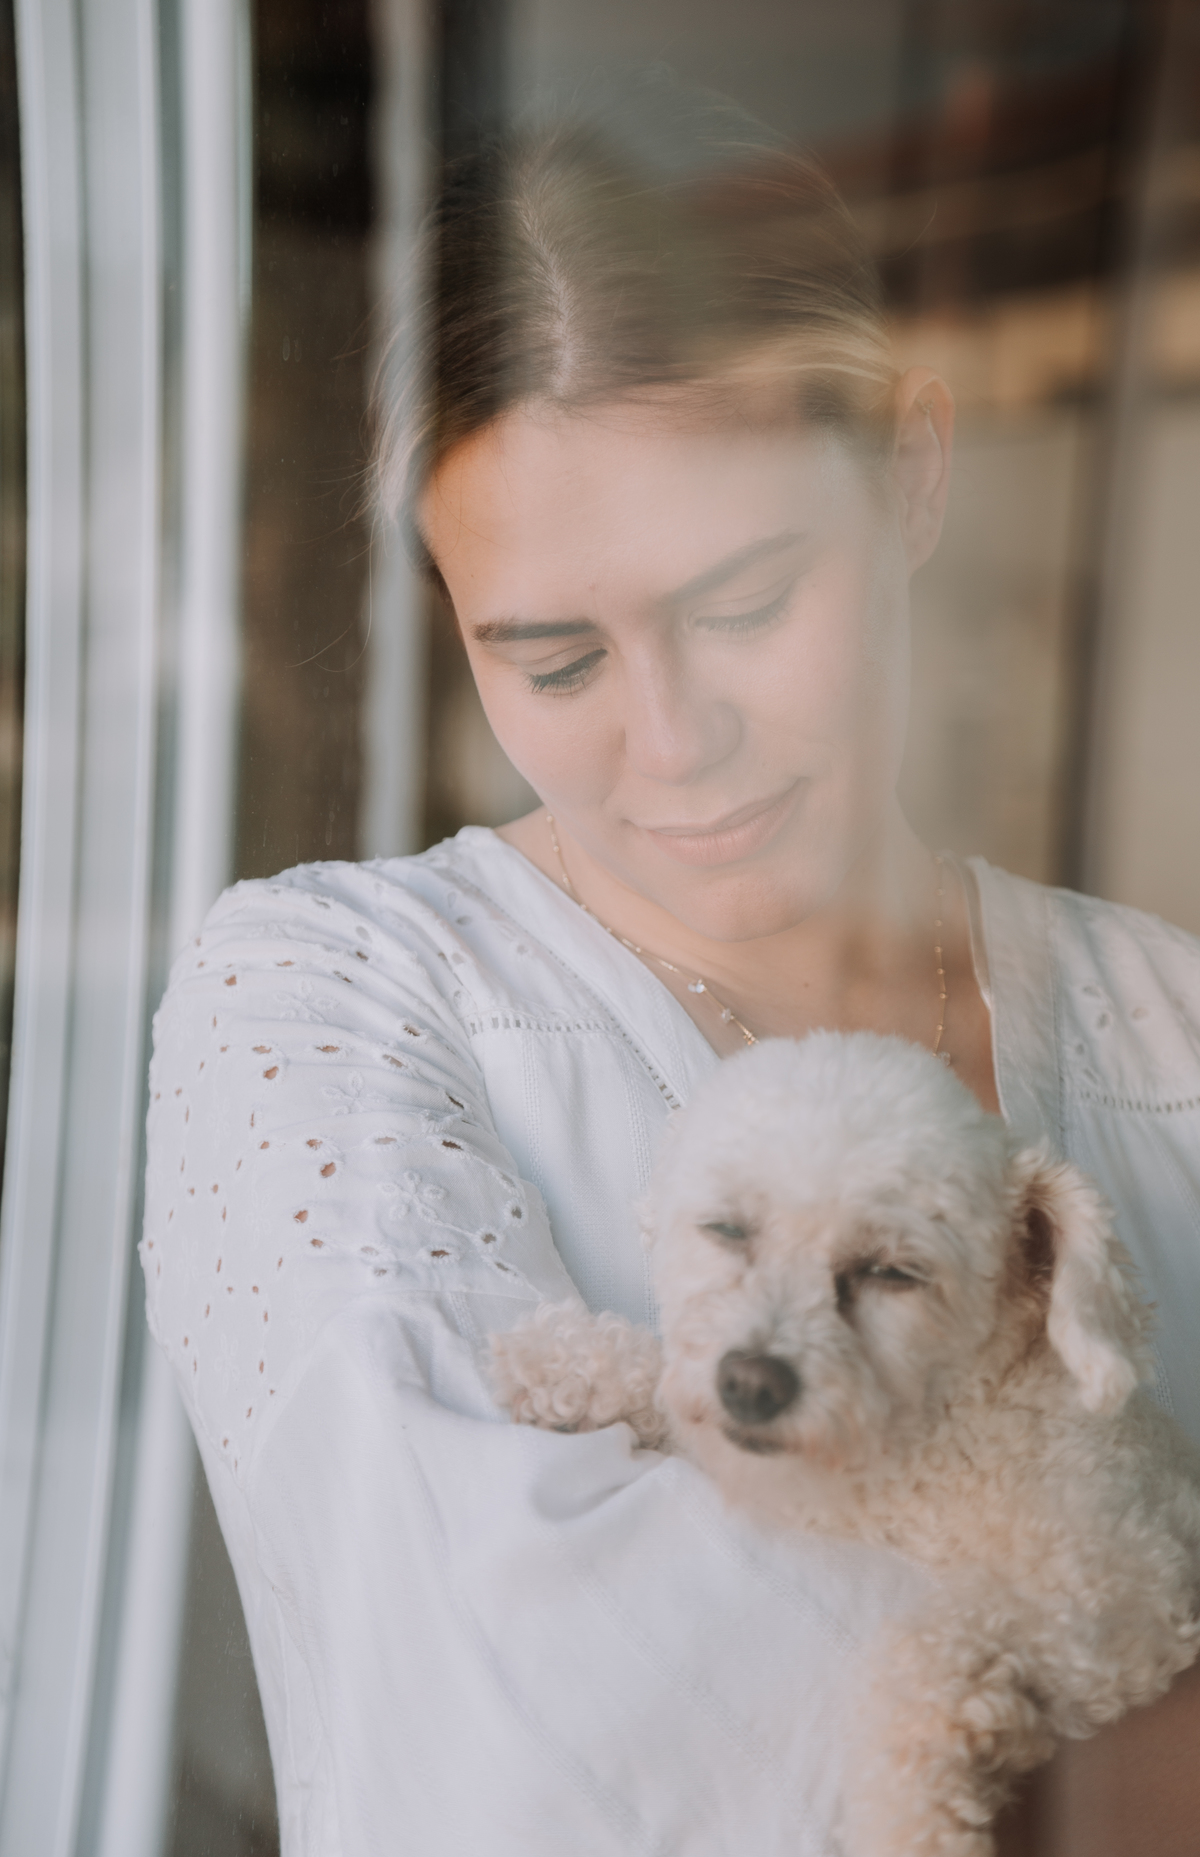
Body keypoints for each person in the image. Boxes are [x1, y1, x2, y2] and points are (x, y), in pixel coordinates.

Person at [142, 86, 1200, 1856]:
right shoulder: (329, 1002)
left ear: (917, 475)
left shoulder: (1171, 1025)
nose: (677, 735)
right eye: (553, 661)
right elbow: (529, 1696)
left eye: (746, 603)